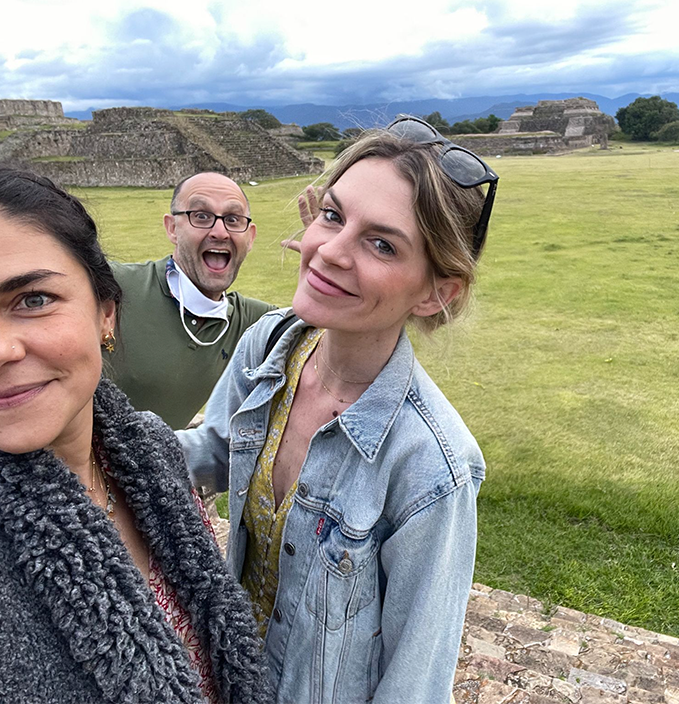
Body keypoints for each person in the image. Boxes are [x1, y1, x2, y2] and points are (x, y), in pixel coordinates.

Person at [179, 116, 498, 703]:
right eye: (332, 216)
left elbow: (414, 686)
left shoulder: (432, 466)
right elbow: (218, 451)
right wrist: (90, 439)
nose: (328, 251)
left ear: (436, 293)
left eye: (382, 244)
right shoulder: (269, 345)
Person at [0, 163, 270, 704]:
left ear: (106, 313)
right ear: (171, 226)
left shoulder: (150, 451)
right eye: (200, 216)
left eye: (32, 299)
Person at [103, 172, 276, 429]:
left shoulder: (251, 322)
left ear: (250, 237)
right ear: (172, 228)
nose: (220, 232)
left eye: (232, 219)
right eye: (201, 216)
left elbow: (323, 337)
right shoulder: (115, 285)